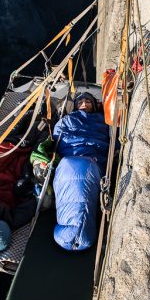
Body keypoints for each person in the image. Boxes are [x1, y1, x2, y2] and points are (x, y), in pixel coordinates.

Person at [51, 91, 110, 250]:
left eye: (88, 101)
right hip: (70, 160)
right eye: (81, 101)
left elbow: (112, 143)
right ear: (76, 106)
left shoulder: (104, 122)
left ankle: (76, 231)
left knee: (80, 171)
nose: (84, 103)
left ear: (94, 105)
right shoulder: (67, 120)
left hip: (93, 161)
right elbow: (58, 140)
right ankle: (79, 232)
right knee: (71, 168)